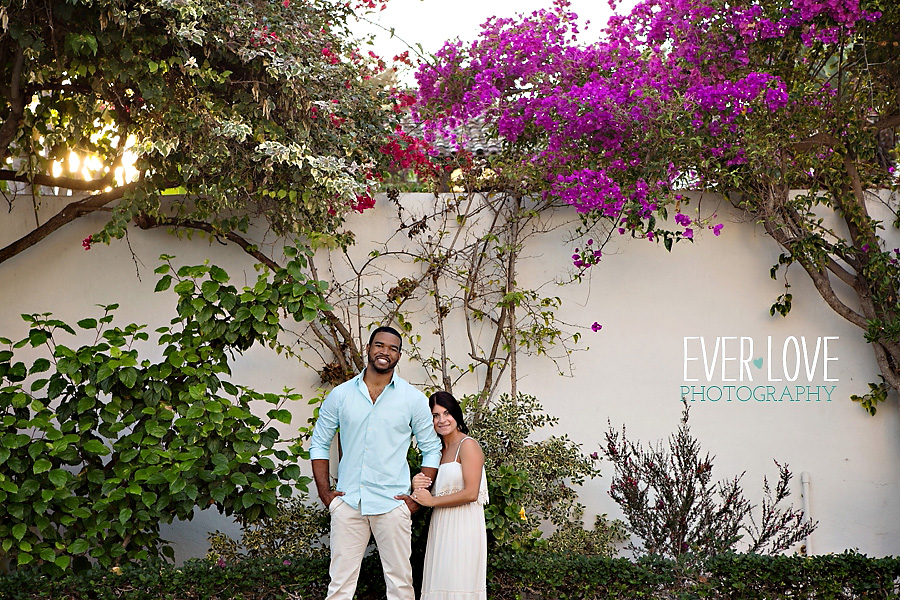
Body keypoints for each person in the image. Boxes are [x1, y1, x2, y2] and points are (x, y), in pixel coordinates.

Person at [308, 326, 442, 600]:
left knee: (400, 585)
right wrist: (326, 495)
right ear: (368, 348)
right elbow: (319, 443)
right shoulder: (341, 395)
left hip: (392, 504)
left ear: (399, 356)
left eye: (393, 348)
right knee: (339, 586)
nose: (385, 352)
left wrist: (415, 499)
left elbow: (431, 449)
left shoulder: (413, 400)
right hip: (348, 503)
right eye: (379, 345)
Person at [408, 391, 488, 600]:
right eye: (435, 415)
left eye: (447, 413)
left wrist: (432, 501)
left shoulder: (467, 445)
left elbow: (471, 493)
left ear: (456, 415)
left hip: (464, 526)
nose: (442, 420)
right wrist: (416, 483)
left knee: (459, 582)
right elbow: (431, 487)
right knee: (440, 582)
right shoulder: (437, 450)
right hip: (441, 525)